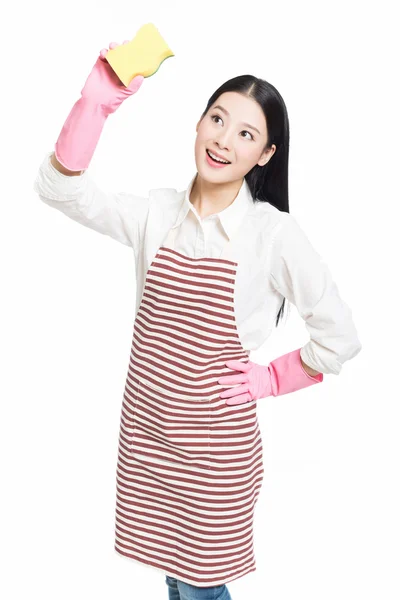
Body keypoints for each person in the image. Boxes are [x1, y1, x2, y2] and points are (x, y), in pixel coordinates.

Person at [33, 40, 362, 600]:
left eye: (245, 134)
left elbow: (339, 338)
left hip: (215, 459)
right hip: (151, 440)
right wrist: (94, 106)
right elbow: (60, 190)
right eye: (217, 119)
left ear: (265, 155)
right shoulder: (156, 214)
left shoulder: (272, 234)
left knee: (200, 587)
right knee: (175, 579)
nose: (223, 139)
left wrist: (273, 377)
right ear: (198, 123)